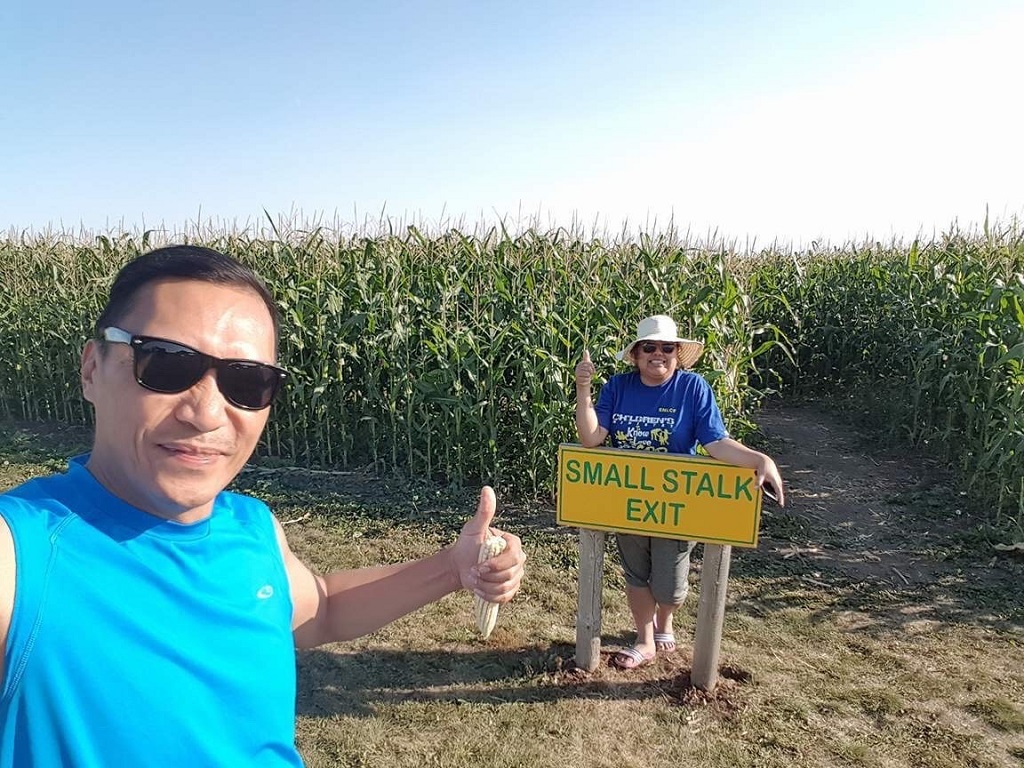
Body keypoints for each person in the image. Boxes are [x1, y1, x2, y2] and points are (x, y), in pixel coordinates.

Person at [0, 245, 526, 766]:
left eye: (246, 382)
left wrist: (453, 569)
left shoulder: (253, 528)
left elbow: (321, 608)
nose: (207, 412)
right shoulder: (20, 555)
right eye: (164, 363)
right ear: (92, 369)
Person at [574, 314, 784, 670]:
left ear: (677, 352)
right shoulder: (619, 388)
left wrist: (758, 458)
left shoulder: (693, 388)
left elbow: (716, 443)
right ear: (637, 354)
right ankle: (644, 639)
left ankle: (665, 621)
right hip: (627, 499)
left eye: (667, 347)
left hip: (678, 503)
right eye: (649, 347)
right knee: (636, 573)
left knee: (670, 586)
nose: (658, 353)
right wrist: (583, 390)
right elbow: (591, 438)